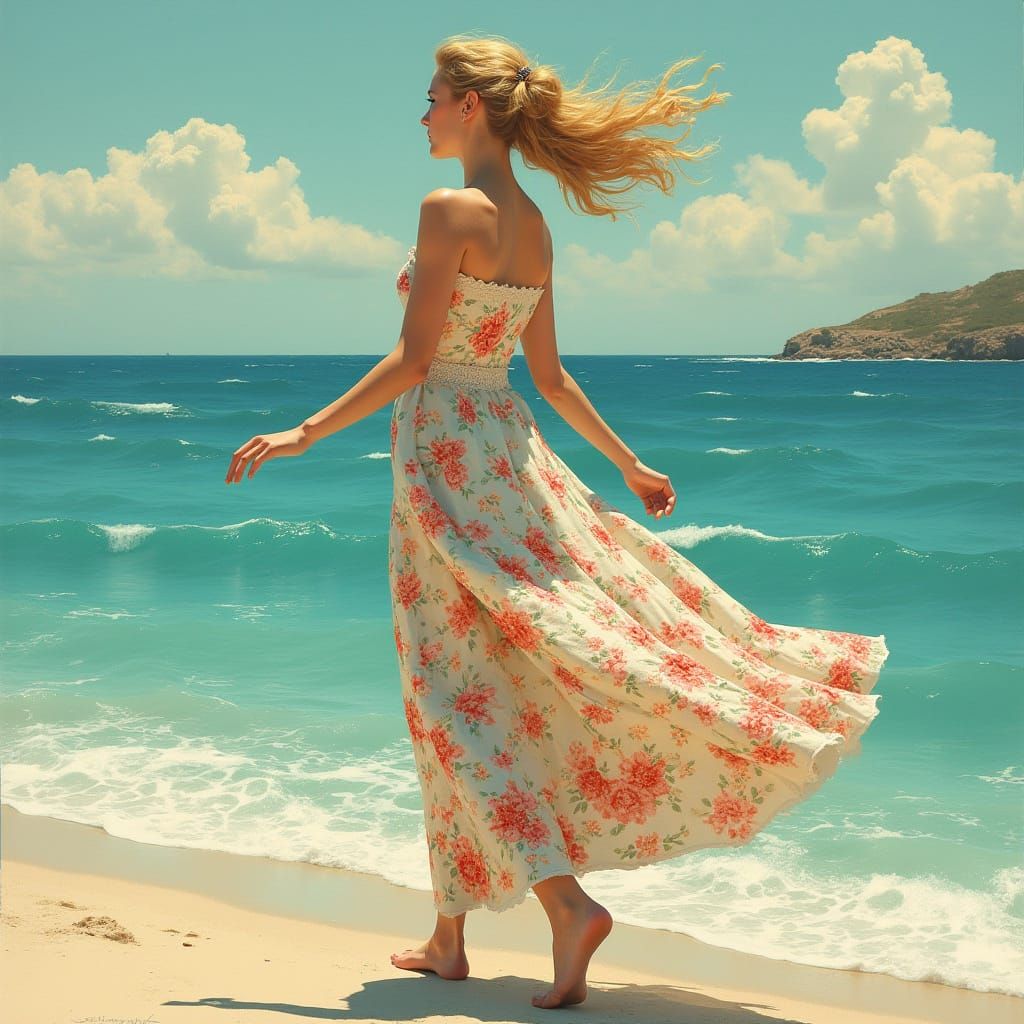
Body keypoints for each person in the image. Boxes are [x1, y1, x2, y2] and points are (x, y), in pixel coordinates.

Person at [225, 35, 888, 1011]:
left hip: (444, 466)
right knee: (478, 683)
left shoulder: (448, 209)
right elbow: (550, 376)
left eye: (432, 96)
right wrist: (627, 462)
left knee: (448, 697)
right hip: (508, 453)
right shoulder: (533, 224)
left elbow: (415, 361)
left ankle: (564, 904)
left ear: (472, 107)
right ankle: (448, 933)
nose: (422, 113)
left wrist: (305, 431)